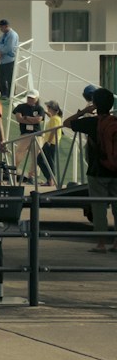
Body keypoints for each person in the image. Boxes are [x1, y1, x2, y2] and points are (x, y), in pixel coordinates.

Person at [67, 88, 117, 252]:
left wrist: (85, 111)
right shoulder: (114, 122)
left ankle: (101, 243)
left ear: (95, 104)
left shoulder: (92, 122)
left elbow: (66, 123)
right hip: (115, 172)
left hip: (97, 172)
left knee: (99, 208)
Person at [12, 89, 51, 187]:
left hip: (37, 134)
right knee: (18, 153)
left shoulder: (40, 109)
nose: (30, 99)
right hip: (25, 134)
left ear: (36, 99)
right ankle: (12, 173)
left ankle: (32, 177)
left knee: (36, 156)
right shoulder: (20, 107)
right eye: (29, 97)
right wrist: (30, 120)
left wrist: (25, 118)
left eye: (32, 98)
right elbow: (18, 118)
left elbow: (38, 120)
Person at [0, 19, 19, 100]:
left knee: (10, 78)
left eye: (1, 27)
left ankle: (10, 94)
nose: (0, 29)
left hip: (10, 59)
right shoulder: (2, 36)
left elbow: (10, 47)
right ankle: (3, 94)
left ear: (6, 26)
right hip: (2, 60)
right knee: (0, 77)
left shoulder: (12, 35)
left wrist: (0, 52)